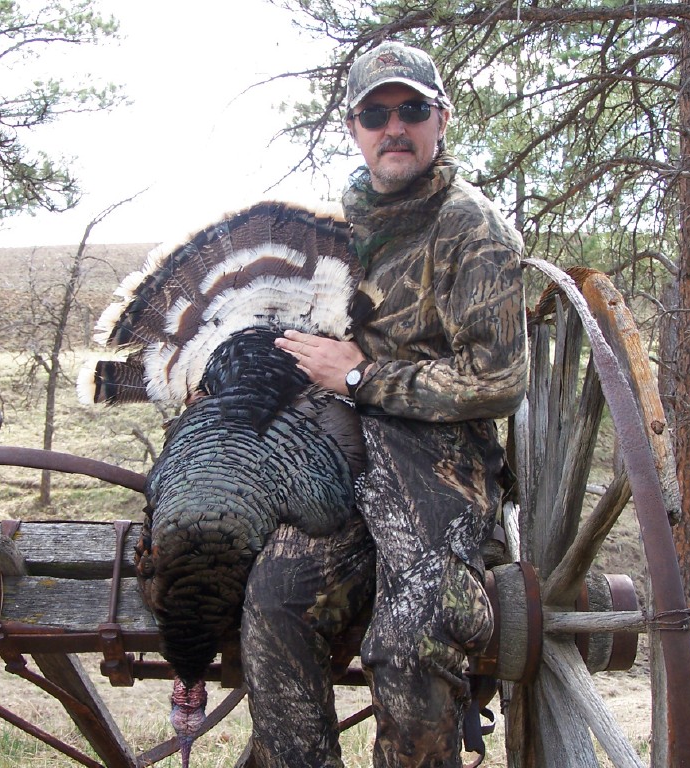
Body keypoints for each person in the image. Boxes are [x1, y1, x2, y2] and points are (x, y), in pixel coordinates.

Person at [241, 40, 528, 768]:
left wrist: (365, 379)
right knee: (274, 602)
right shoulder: (333, 228)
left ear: (441, 120)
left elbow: (496, 380)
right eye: (375, 114)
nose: (393, 127)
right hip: (342, 463)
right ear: (354, 129)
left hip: (442, 466)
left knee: (413, 639)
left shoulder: (473, 229)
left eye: (411, 109)